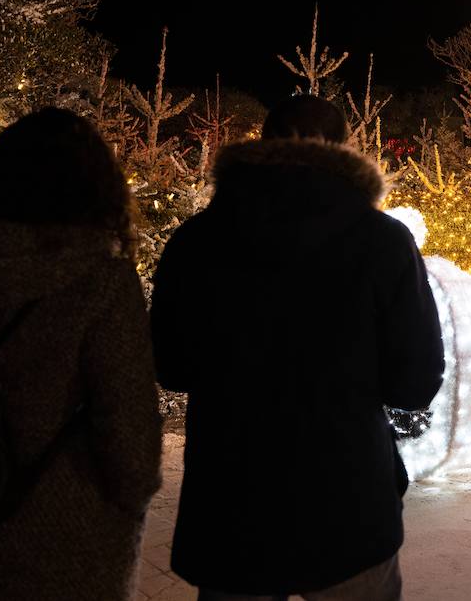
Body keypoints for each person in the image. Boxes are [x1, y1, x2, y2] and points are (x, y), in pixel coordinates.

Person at [151, 94, 444, 601]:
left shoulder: (198, 241)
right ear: (344, 150)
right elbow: (415, 379)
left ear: (262, 145)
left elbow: (172, 366)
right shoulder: (383, 241)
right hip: (347, 497)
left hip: (232, 497)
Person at [0, 107, 163, 600]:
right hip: (69, 521)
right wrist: (135, 491)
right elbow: (125, 409)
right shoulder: (100, 276)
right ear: (95, 183)